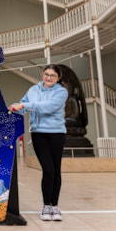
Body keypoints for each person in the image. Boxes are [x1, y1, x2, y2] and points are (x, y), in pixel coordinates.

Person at [9, 64, 68, 222]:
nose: (49, 78)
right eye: (46, 74)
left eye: (53, 76)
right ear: (42, 74)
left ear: (58, 78)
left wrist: (26, 105)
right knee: (48, 169)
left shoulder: (61, 92)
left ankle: (55, 206)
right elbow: (23, 106)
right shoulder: (33, 90)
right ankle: (46, 205)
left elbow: (48, 108)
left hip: (56, 134)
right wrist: (15, 108)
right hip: (38, 134)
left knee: (56, 170)